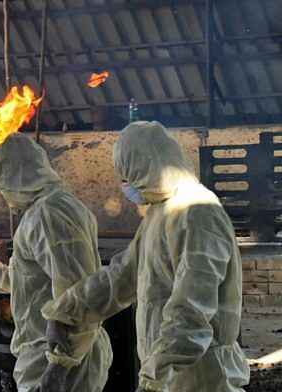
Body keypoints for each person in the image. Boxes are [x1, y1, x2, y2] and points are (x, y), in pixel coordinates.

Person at [44, 121, 250, 391]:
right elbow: (121, 277)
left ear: (145, 166)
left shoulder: (198, 212)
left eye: (127, 174)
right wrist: (65, 313)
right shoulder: (161, 212)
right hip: (168, 374)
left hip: (202, 375)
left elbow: (192, 309)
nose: (124, 184)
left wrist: (154, 378)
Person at [0, 132, 112, 392]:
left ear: (13, 180)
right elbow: (37, 279)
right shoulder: (59, 205)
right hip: (57, 352)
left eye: (0, 185)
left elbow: (77, 293)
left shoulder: (47, 216)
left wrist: (57, 368)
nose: (3, 194)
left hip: (58, 355)